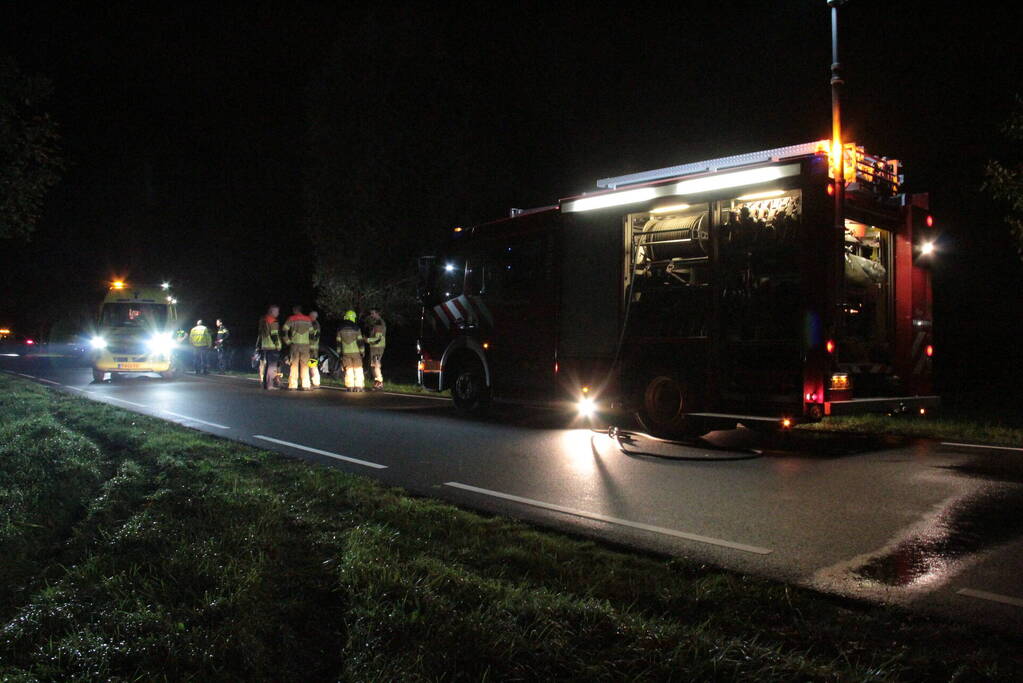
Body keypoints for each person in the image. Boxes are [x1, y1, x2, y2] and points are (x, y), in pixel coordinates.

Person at [282, 304, 313, 390]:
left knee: (294, 365)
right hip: (305, 346)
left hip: (294, 345)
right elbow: (312, 333)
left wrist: (288, 342)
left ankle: (293, 385)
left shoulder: (291, 318)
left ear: (295, 310)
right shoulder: (308, 319)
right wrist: (310, 344)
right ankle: (306, 385)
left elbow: (284, 330)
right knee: (305, 365)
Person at [336, 309, 365, 391]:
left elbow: (338, 342)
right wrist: (362, 352)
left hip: (345, 352)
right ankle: (358, 386)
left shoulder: (340, 328)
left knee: (348, 369)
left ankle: (350, 386)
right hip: (356, 352)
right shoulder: (356, 328)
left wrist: (339, 353)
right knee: (358, 369)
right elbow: (360, 341)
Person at [257, 305, 282, 390]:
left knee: (267, 366)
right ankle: (269, 385)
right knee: (272, 366)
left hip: (265, 345)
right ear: (272, 312)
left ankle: (265, 384)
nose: (278, 313)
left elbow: (260, 335)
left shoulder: (263, 320)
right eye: (277, 311)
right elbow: (274, 334)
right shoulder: (273, 321)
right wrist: (277, 345)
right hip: (272, 346)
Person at [364, 307, 387, 390]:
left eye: (373, 313)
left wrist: (367, 340)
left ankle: (379, 382)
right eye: (371, 313)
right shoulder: (377, 323)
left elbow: (378, 339)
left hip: (377, 347)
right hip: (376, 347)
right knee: (374, 365)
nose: (371, 315)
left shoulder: (379, 323)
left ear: (377, 314)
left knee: (376, 365)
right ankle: (377, 382)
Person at [308, 310, 321, 389]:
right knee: (312, 366)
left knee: (312, 366)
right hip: (313, 349)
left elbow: (313, 337)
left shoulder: (314, 324)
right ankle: (315, 382)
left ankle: (315, 383)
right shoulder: (316, 324)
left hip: (311, 349)